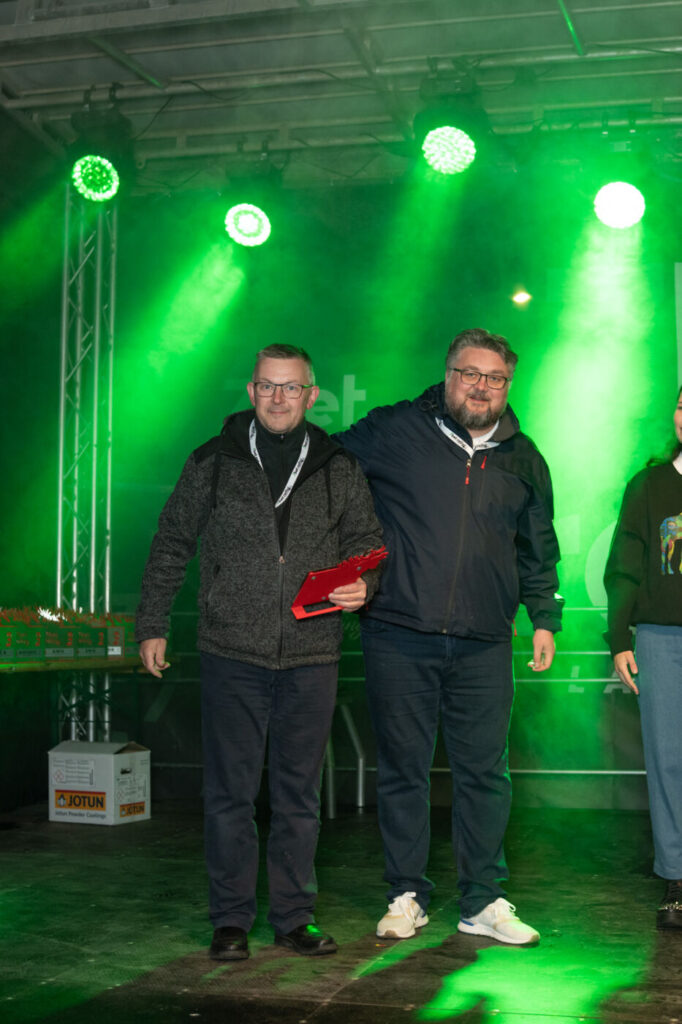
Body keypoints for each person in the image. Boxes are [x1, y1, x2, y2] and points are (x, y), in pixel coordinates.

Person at [135, 343, 383, 961]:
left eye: (291, 387)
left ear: (311, 394)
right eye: (267, 386)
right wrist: (152, 623)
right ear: (250, 392)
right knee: (230, 796)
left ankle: (295, 917)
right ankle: (230, 921)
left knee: (299, 797)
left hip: (312, 653)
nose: (278, 397)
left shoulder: (338, 465)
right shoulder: (212, 460)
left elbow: (367, 542)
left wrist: (365, 584)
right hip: (232, 650)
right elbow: (171, 540)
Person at [335, 327, 562, 946]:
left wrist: (544, 617)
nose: (481, 387)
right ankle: (405, 895)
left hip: (485, 639)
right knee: (403, 770)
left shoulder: (524, 457)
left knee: (485, 773)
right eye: (470, 374)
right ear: (448, 374)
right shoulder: (394, 430)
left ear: (507, 385)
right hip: (397, 630)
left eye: (495, 378)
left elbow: (539, 547)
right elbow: (322, 478)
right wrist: (352, 565)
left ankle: (482, 900)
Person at [604, 385, 682, 929]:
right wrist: (619, 639)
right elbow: (625, 566)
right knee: (669, 760)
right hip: (663, 640)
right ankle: (677, 878)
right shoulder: (649, 486)